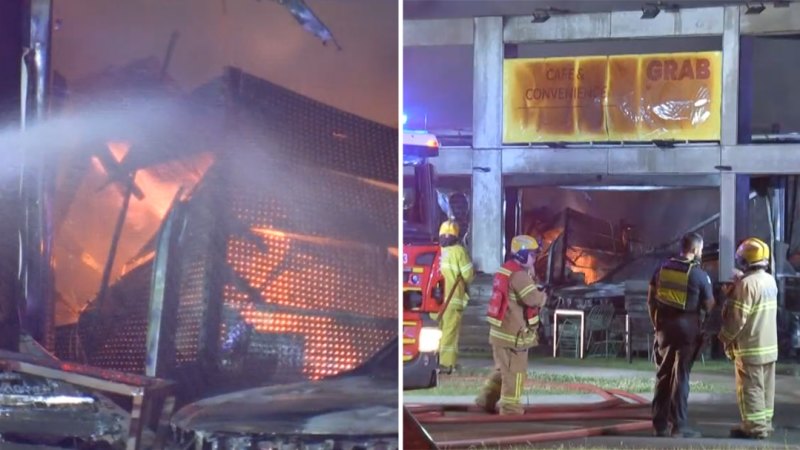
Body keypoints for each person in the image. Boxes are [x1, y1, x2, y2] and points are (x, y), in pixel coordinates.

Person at [648, 232, 715, 438]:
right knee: (681, 375)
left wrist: (656, 325)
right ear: (694, 250)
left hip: (664, 328)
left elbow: (651, 300)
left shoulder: (661, 268)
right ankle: (679, 426)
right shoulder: (699, 274)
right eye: (701, 250)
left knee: (663, 374)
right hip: (687, 329)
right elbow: (709, 306)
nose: (701, 254)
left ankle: (659, 425)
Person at [474, 235, 546, 415]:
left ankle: (485, 400)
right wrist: (544, 295)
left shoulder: (506, 270)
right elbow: (533, 299)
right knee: (515, 373)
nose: (534, 258)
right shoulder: (519, 276)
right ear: (521, 255)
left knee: (502, 370)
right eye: (532, 255)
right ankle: (510, 409)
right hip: (513, 336)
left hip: (500, 334)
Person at [719, 237, 778, 440]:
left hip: (751, 347)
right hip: (769, 347)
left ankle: (754, 428)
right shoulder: (769, 280)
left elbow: (737, 319)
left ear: (744, 261)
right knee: (766, 389)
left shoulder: (745, 285)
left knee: (751, 389)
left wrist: (724, 338)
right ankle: (764, 423)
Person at [436, 220, 474, 374]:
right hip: (452, 301)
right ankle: (446, 364)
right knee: (449, 334)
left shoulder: (436, 251)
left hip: (434, 302)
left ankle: (432, 362)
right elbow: (468, 275)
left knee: (435, 332)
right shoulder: (459, 252)